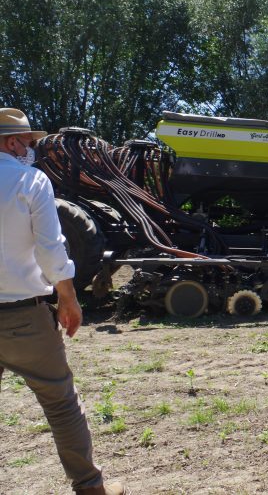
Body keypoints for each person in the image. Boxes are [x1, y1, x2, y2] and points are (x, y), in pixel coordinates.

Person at [0, 108, 126, 495]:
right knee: (60, 402)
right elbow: (51, 249)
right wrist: (69, 299)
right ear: (11, 142)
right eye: (28, 142)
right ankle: (90, 487)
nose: (31, 149)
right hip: (23, 317)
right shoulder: (30, 181)